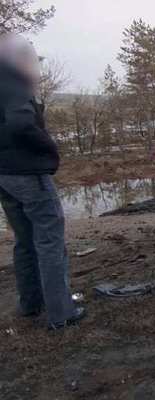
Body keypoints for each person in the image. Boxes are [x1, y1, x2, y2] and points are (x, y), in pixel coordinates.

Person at [0, 33, 85, 330]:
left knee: (25, 241)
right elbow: (22, 124)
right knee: (49, 241)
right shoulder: (14, 84)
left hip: (5, 176)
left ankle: (30, 303)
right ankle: (62, 312)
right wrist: (49, 149)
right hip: (28, 174)